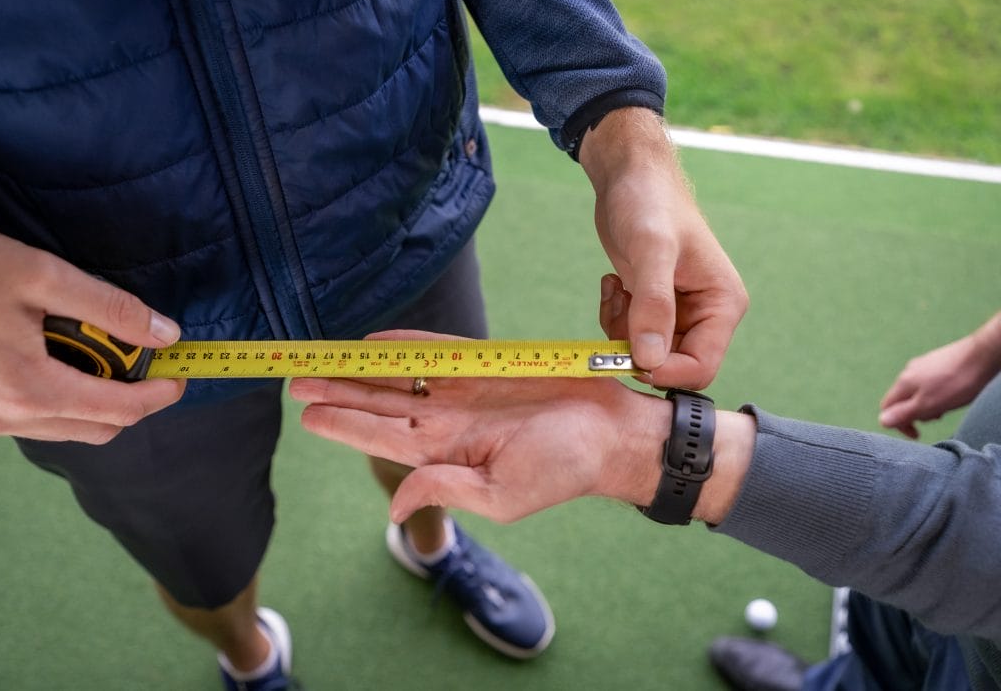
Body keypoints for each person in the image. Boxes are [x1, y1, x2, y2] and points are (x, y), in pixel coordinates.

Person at [0, 0, 748, 689]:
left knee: (439, 454)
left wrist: (624, 134)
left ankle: (430, 543)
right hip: (96, 323)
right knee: (203, 566)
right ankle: (249, 657)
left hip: (399, 224)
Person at [290, 279, 1001, 690]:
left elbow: (962, 539)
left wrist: (636, 446)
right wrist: (986, 349)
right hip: (930, 534)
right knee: (887, 628)